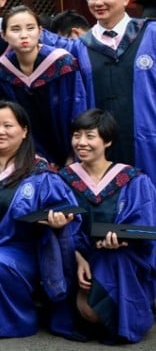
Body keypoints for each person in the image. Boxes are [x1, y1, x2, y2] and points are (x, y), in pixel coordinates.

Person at [0, 101, 79, 342]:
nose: (0, 131)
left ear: (24, 131)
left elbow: (68, 211)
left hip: (23, 254)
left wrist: (59, 222)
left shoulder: (39, 171)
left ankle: (12, 322)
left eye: (8, 125)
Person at [54, 109, 156, 343]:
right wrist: (78, 257)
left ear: (107, 140)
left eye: (90, 136)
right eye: (76, 135)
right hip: (76, 255)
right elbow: (59, 229)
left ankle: (119, 318)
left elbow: (144, 224)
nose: (81, 143)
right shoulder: (62, 178)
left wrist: (124, 239)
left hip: (122, 255)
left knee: (115, 258)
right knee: (88, 309)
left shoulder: (132, 178)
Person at [75, 0, 156, 174]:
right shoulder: (80, 46)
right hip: (101, 147)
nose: (98, 2)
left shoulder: (151, 34)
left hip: (148, 138)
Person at [0, 5, 87, 166]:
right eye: (15, 29)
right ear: (4, 36)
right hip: (26, 156)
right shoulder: (1, 71)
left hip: (68, 149)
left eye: (30, 28)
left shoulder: (62, 64)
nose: (24, 35)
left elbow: (78, 108)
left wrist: (74, 153)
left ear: (40, 31)